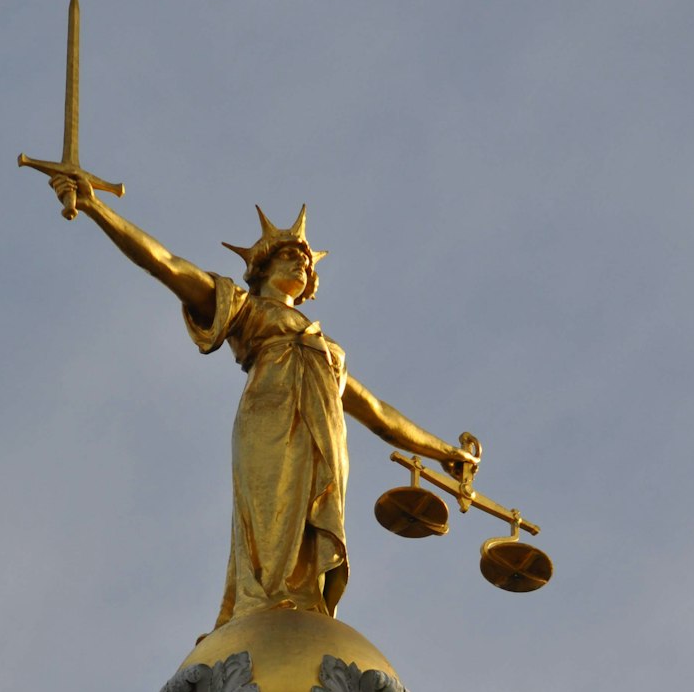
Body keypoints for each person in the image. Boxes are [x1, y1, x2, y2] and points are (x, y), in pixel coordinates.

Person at [47, 176, 472, 628]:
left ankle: (304, 602)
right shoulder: (246, 309)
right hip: (270, 425)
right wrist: (96, 208)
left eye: (306, 262)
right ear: (263, 267)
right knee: (271, 521)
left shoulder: (327, 348)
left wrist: (446, 452)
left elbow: (380, 414)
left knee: (309, 525)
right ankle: (263, 605)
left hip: (325, 442)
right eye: (290, 256)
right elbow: (166, 265)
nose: (301, 264)